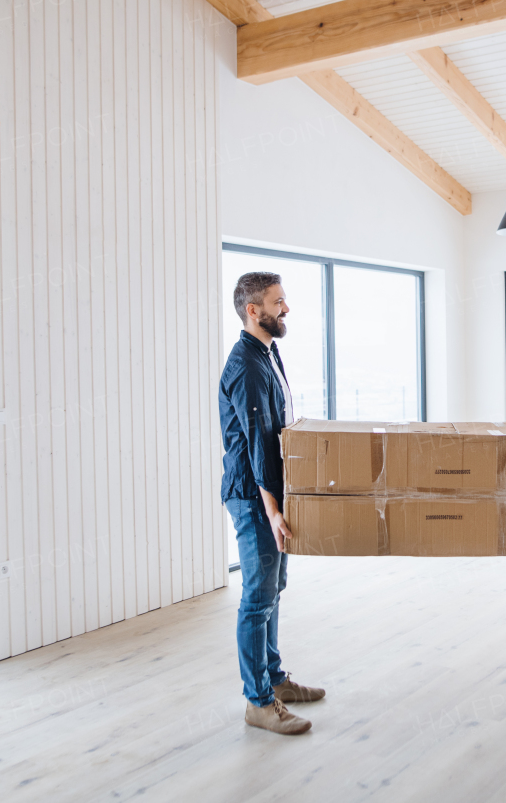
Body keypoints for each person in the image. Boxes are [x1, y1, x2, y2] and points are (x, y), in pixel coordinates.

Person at [219, 271, 325, 735]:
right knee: (257, 597)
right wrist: (273, 510)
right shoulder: (245, 365)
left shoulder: (268, 353)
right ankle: (257, 702)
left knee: (273, 590)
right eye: (278, 302)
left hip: (271, 494)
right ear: (253, 310)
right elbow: (258, 443)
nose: (287, 309)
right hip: (253, 497)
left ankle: (275, 679)